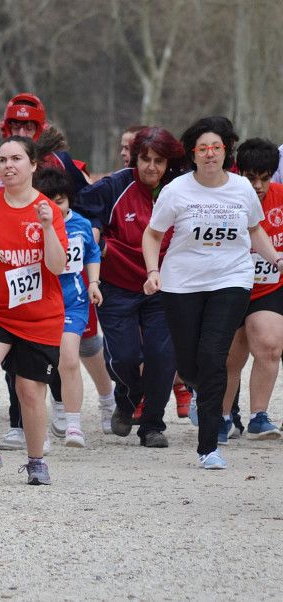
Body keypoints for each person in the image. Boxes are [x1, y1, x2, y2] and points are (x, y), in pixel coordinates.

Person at [144, 117, 282, 469]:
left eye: (216, 148)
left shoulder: (241, 189)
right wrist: (153, 271)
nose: (210, 155)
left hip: (231, 280)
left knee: (213, 357)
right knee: (191, 363)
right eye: (202, 149)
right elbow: (153, 235)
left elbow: (255, 231)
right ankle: (193, 383)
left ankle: (209, 447)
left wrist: (276, 258)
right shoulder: (177, 190)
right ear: (193, 154)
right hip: (181, 284)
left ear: (226, 152)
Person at [0, 137, 68, 485]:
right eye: (3, 160)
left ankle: (36, 461)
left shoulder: (47, 210)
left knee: (29, 391)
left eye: (17, 159)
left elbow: (57, 267)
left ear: (33, 165)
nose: (9, 165)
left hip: (39, 316)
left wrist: (48, 227)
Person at [75, 127, 185, 446]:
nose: (151, 167)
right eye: (145, 159)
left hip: (163, 285)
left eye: (159, 161)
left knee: (161, 356)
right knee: (123, 357)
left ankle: (152, 425)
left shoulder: (179, 190)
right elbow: (80, 213)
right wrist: (99, 240)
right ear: (134, 158)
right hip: (118, 285)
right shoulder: (114, 186)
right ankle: (127, 397)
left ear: (169, 163)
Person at [219, 139, 283, 440]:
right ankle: (221, 416)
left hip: (269, 288)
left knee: (270, 345)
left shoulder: (281, 198)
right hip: (230, 286)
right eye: (251, 177)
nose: (258, 185)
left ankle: (259, 416)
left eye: (265, 177)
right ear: (238, 172)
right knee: (232, 357)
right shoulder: (224, 200)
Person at [34, 168, 102, 448]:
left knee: (70, 358)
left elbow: (93, 253)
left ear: (69, 200)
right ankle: (41, 428)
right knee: (38, 365)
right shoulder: (31, 226)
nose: (54, 208)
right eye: (48, 202)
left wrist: (94, 282)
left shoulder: (82, 225)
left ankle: (74, 425)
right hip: (38, 303)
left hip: (73, 301)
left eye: (60, 201)